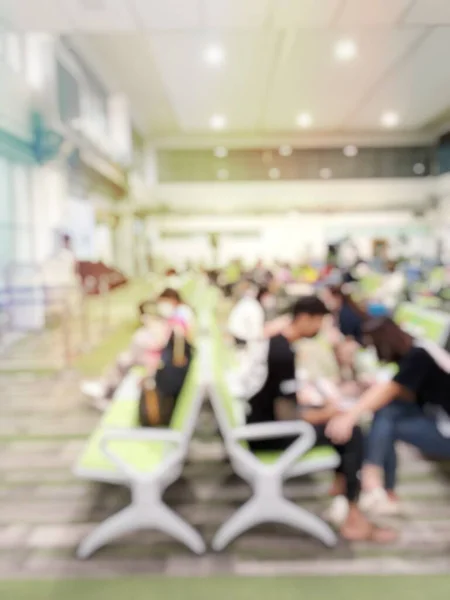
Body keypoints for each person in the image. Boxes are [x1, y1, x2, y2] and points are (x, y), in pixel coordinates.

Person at [231, 296, 394, 542]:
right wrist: (327, 413)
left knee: (340, 423)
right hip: (268, 436)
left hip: (262, 427)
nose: (320, 330)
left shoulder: (277, 345)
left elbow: (281, 400)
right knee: (350, 432)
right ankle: (353, 517)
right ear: (305, 318)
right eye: (319, 322)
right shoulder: (281, 353)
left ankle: (342, 490)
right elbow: (287, 415)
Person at [325, 317, 450, 516]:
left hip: (445, 429)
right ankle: (378, 485)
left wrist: (351, 415)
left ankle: (373, 481)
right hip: (437, 420)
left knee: (385, 420)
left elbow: (390, 389)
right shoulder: (420, 350)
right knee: (386, 415)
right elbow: (401, 392)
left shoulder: (419, 355)